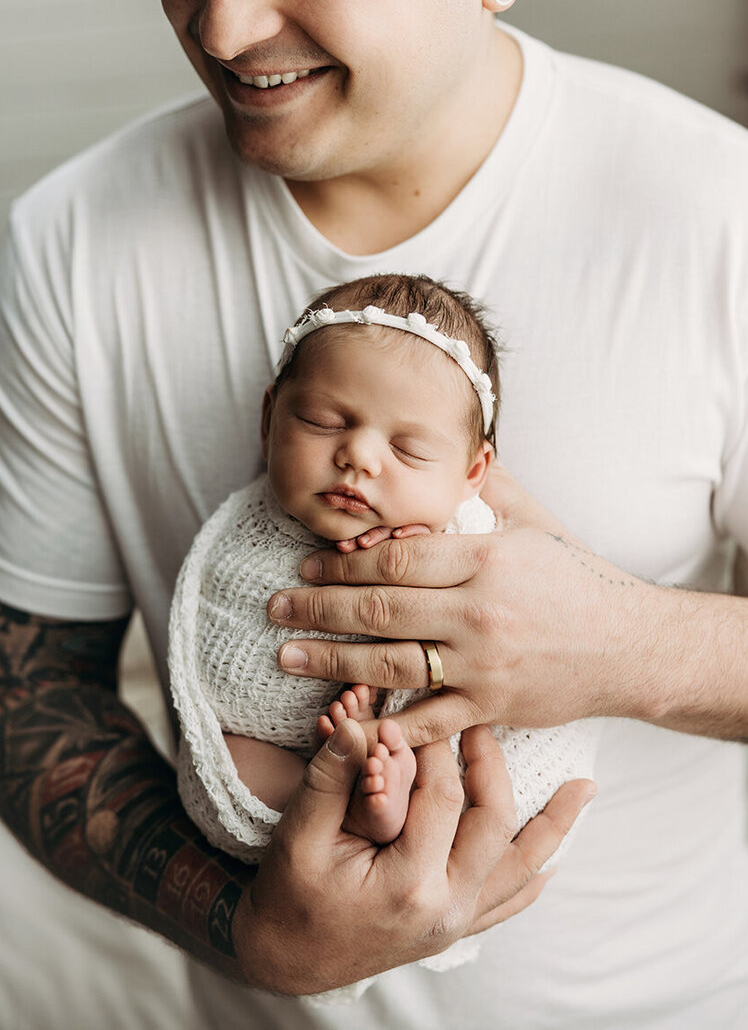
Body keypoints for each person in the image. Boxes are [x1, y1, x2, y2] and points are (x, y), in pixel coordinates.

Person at [0, 0, 748, 1026]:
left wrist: (626, 646)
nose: (222, 23)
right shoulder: (74, 245)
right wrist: (245, 933)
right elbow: (23, 691)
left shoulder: (721, 222)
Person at [169, 274, 597, 921]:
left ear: (472, 474)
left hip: (439, 750)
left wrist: (427, 553)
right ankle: (351, 805)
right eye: (322, 421)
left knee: (483, 746)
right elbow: (223, 630)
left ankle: (397, 801)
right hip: (282, 754)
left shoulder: (473, 533)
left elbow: (537, 611)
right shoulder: (252, 523)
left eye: (409, 448)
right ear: (269, 418)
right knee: (224, 761)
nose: (359, 457)